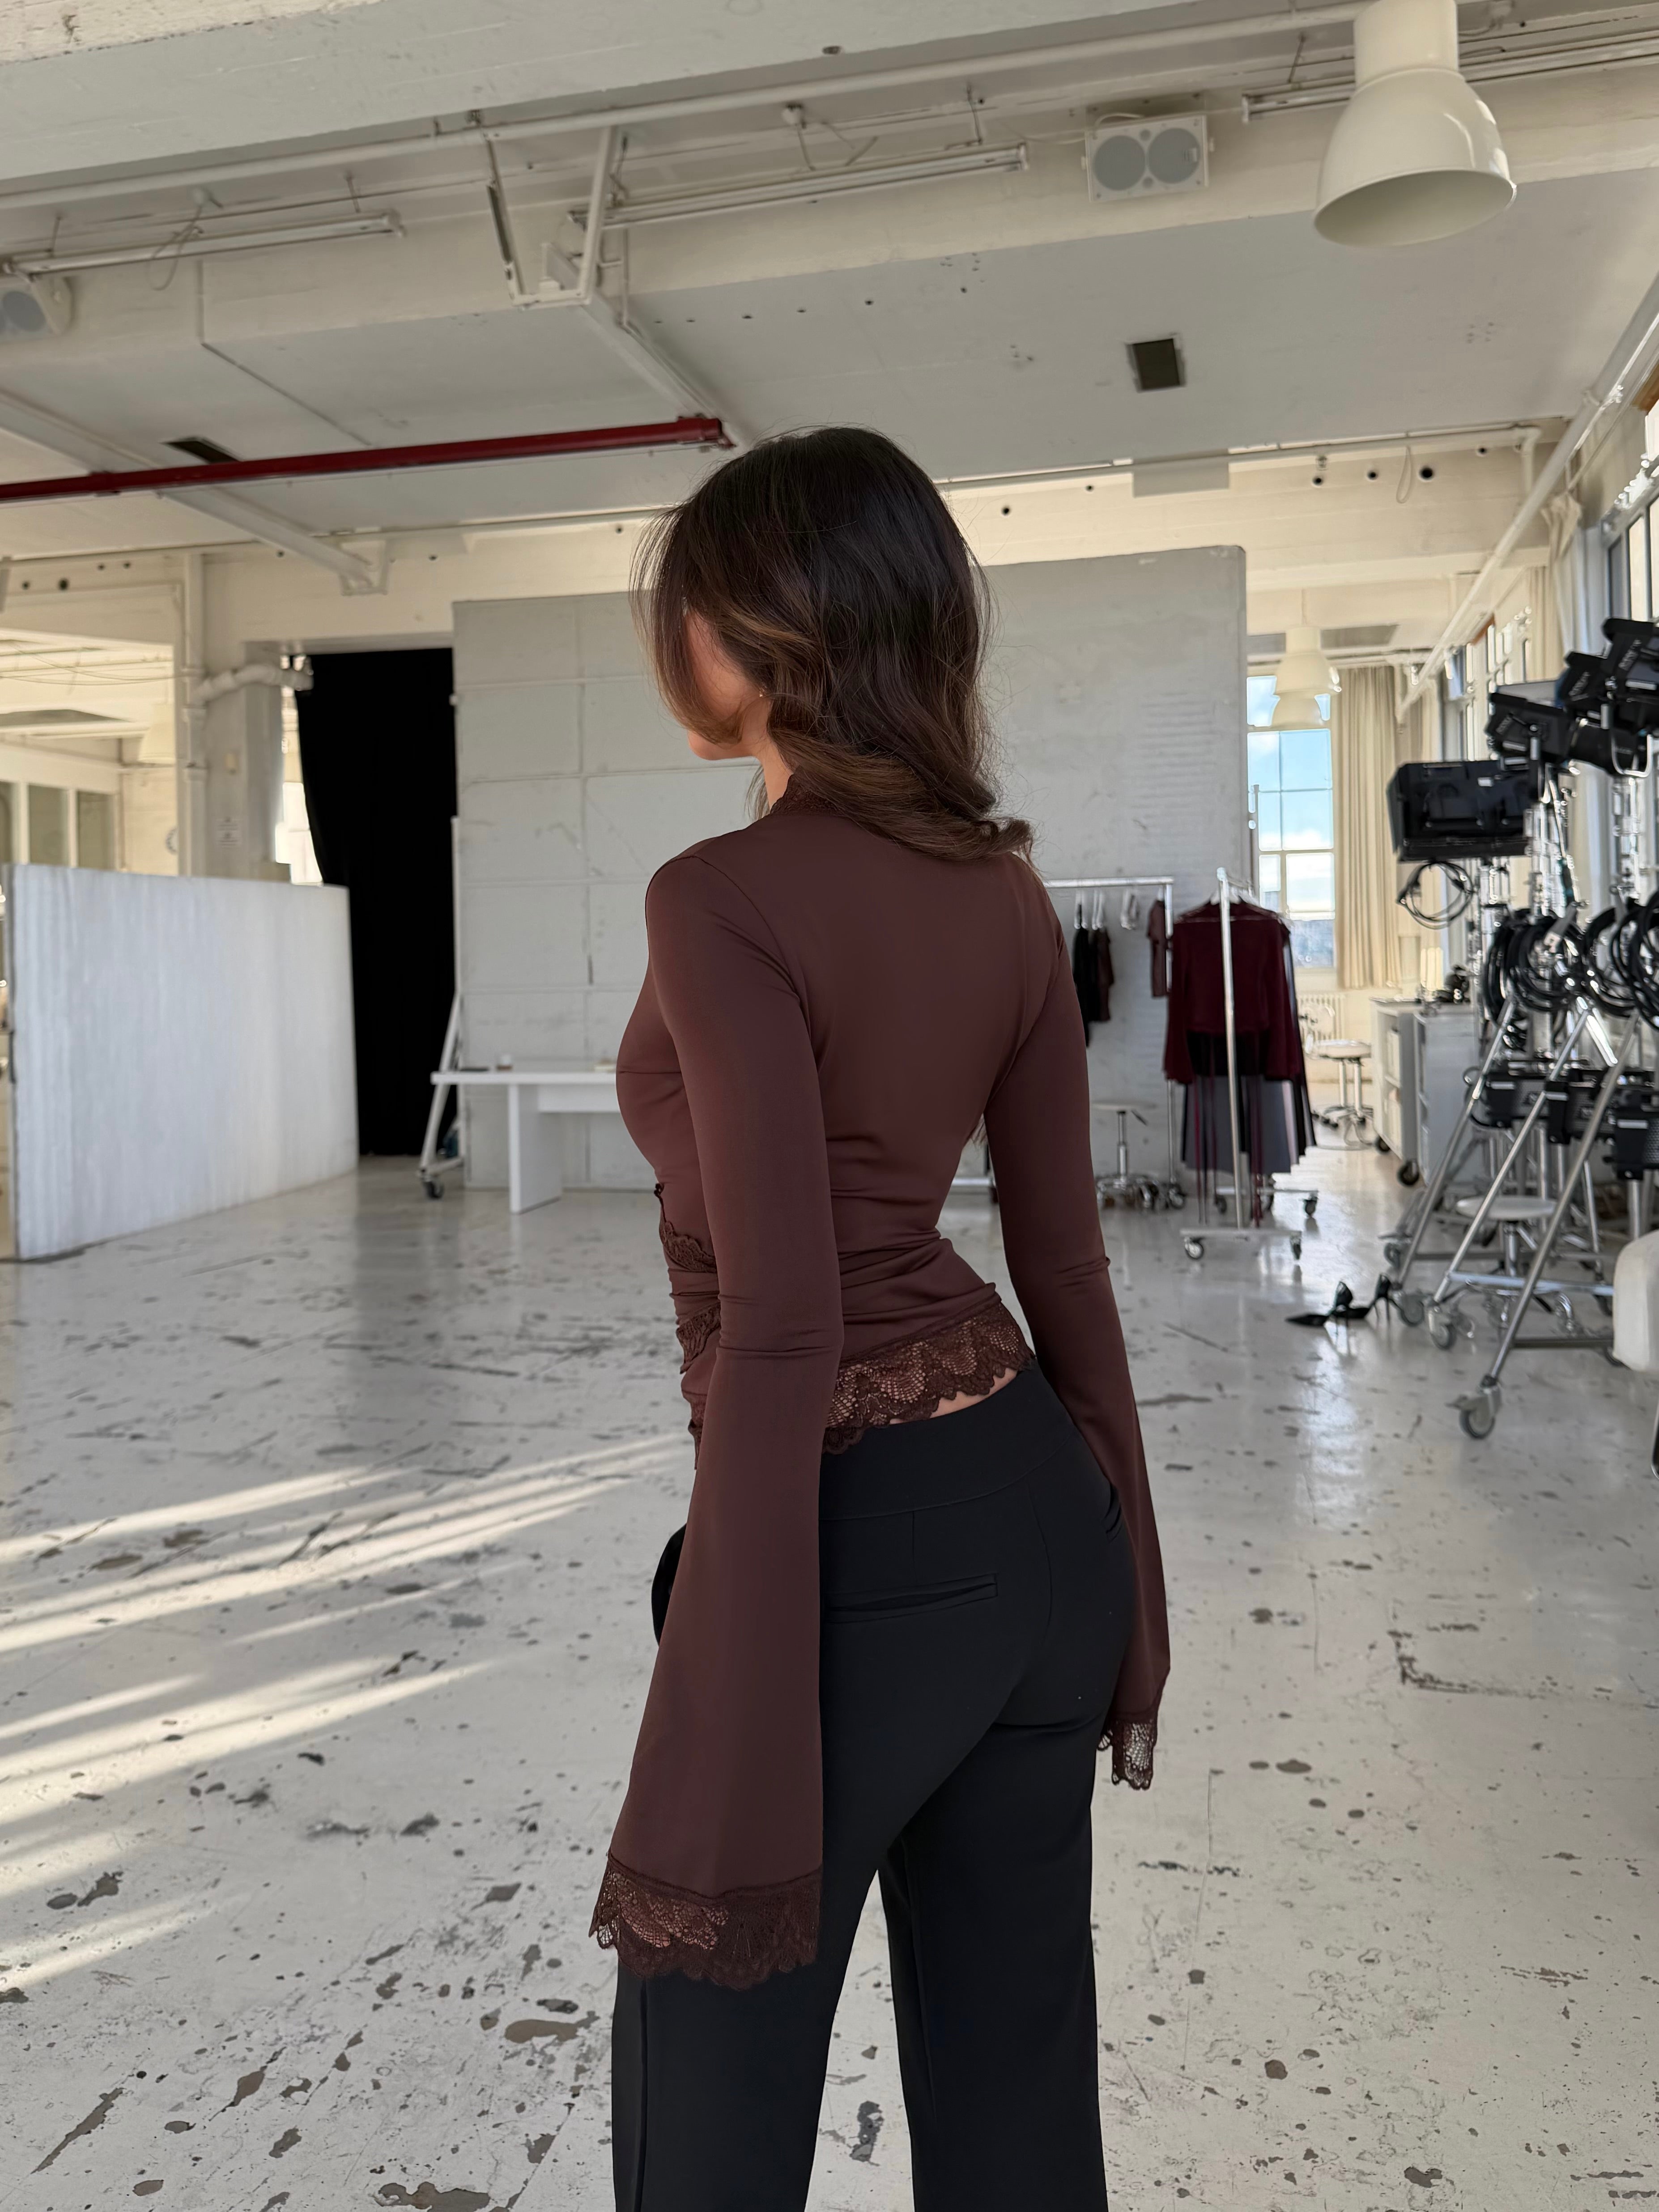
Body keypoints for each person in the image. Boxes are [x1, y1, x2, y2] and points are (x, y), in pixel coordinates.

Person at [590, 425, 1169, 2211]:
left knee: (707, 2102)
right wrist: (1134, 1586)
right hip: (1037, 1516)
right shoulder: (1000, 890)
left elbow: (781, 1324)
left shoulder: (718, 899)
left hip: (851, 1545)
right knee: (1015, 2102)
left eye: (688, 608)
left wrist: (721, 1684)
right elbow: (1065, 1269)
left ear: (765, 637)